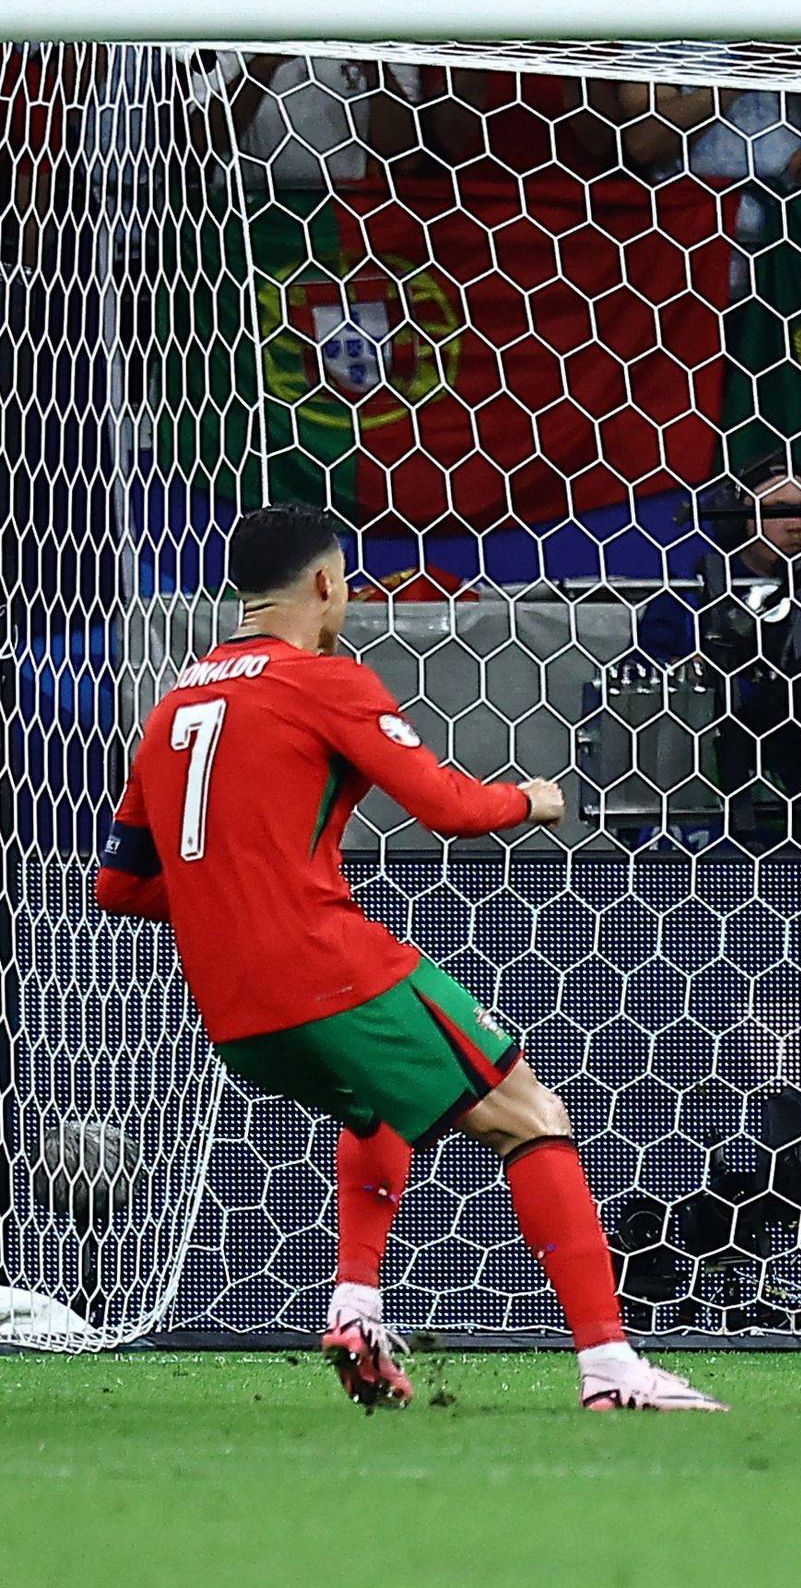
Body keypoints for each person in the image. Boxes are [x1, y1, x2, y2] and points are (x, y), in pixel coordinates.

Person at [90, 507, 722, 1414]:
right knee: (529, 1111)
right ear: (323, 584)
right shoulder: (324, 680)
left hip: (234, 1015)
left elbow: (119, 886)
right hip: (323, 961)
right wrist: (532, 800)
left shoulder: (175, 706)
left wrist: (231, 892)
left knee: (377, 1097)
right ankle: (613, 1368)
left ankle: (356, 1306)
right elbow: (447, 807)